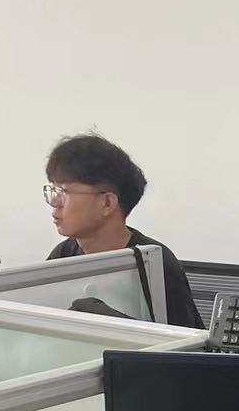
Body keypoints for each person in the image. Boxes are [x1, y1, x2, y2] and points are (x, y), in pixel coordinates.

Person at [43, 134, 203, 330]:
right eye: (53, 190)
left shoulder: (152, 263)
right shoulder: (63, 255)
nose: (54, 202)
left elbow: (184, 343)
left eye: (63, 192)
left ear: (107, 203)